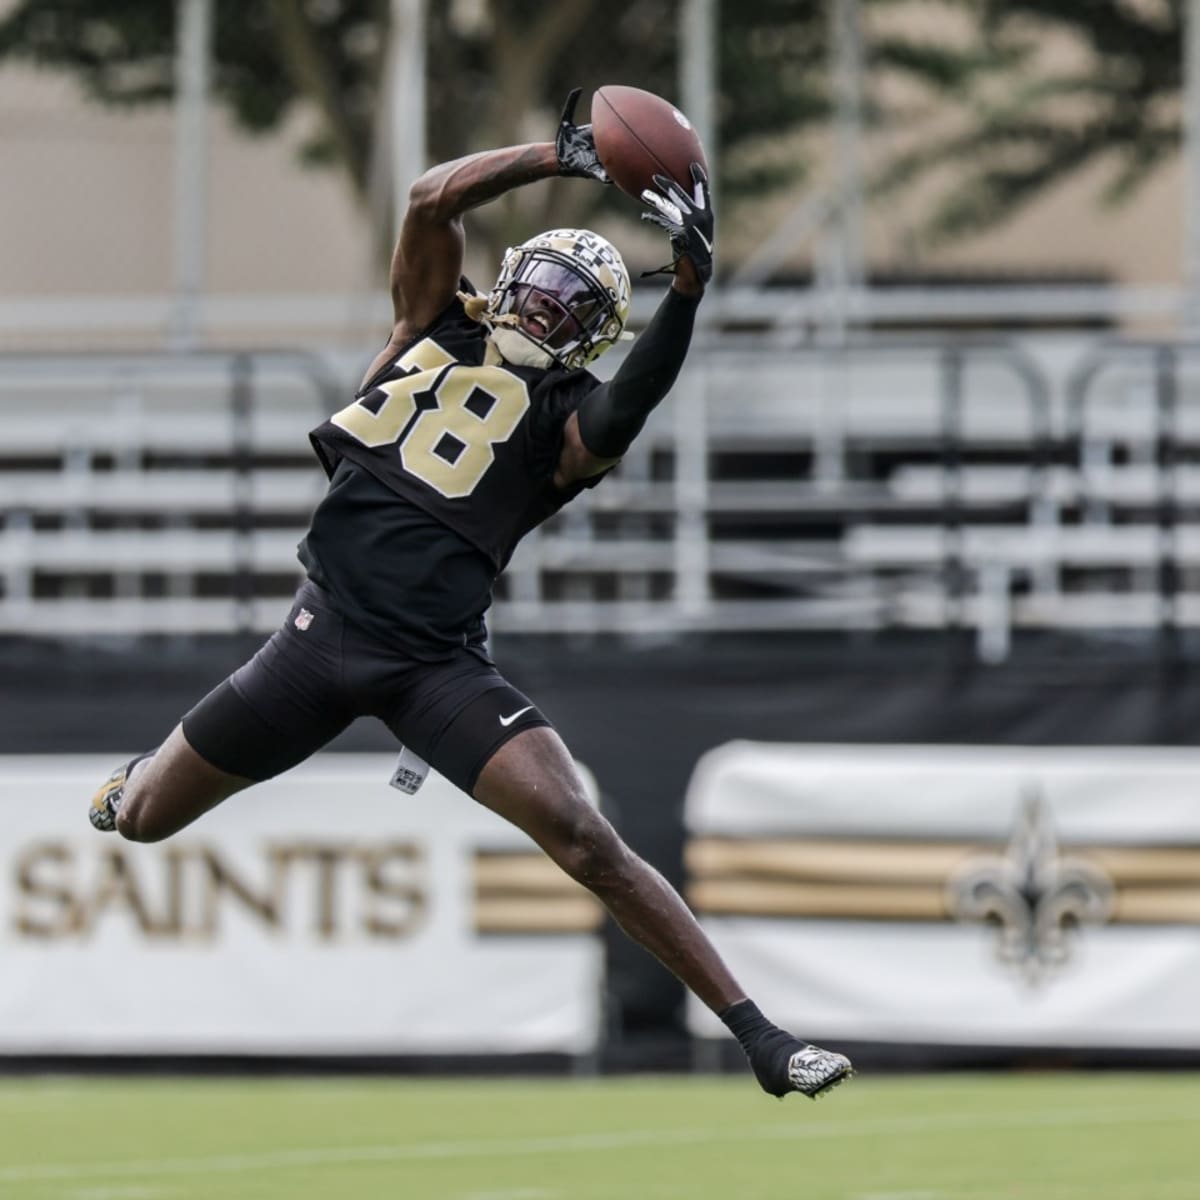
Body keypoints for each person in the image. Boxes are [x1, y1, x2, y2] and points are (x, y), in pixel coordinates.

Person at [88, 91, 852, 1101]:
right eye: (540, 286)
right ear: (510, 282)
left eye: (571, 305)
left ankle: (763, 1039)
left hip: (433, 668)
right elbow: (428, 200)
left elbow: (629, 406)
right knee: (141, 818)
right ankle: (142, 771)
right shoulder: (430, 326)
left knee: (587, 837)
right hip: (316, 640)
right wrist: (561, 155)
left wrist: (689, 297)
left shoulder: (570, 418)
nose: (544, 308)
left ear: (591, 334)